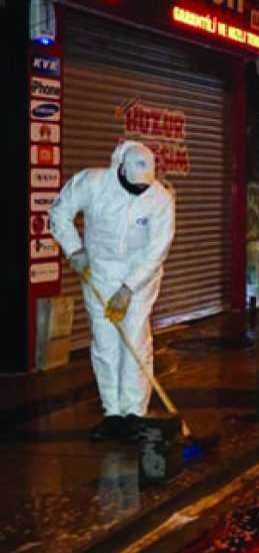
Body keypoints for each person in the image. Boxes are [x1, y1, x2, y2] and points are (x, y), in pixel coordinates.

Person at [50, 141, 175, 441]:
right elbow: (60, 212)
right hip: (100, 273)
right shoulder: (93, 183)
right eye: (134, 187)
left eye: (143, 188)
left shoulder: (160, 197)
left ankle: (134, 412)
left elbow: (157, 249)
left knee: (135, 340)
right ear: (121, 169)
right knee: (105, 343)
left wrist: (129, 288)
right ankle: (113, 414)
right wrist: (74, 250)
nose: (138, 193)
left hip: (139, 277)